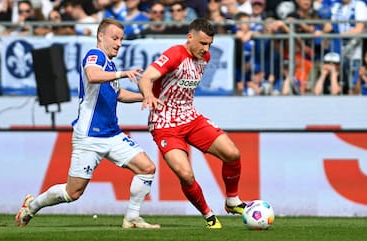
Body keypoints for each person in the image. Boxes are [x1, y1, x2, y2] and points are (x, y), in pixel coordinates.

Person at [15, 18, 160, 229]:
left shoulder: (109, 64)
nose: (119, 43)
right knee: (72, 193)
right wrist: (123, 73)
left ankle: (132, 218)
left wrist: (145, 97)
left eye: (121, 39)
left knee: (147, 168)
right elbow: (92, 75)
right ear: (100, 36)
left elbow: (117, 93)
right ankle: (31, 206)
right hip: (89, 136)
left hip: (112, 134)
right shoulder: (95, 56)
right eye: (114, 38)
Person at [137, 18, 246, 229]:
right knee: (186, 174)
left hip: (190, 117)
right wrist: (148, 95)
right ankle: (208, 215)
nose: (206, 49)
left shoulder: (205, 58)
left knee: (232, 154)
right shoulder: (175, 53)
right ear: (190, 37)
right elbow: (146, 78)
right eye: (202, 43)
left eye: (209, 45)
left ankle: (232, 200)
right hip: (165, 123)